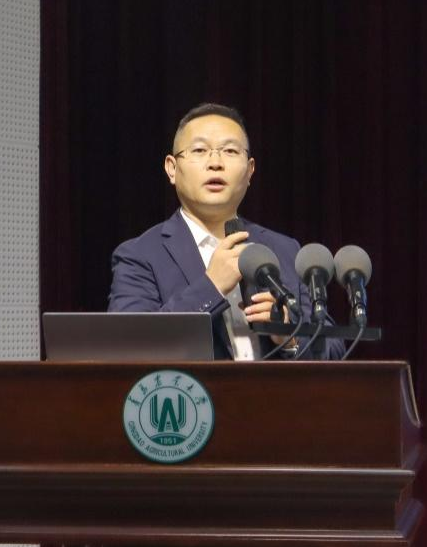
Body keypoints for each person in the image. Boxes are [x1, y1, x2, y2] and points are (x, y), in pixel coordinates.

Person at [108, 103, 345, 360]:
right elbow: (128, 346)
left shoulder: (284, 249)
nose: (215, 163)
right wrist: (212, 287)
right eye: (199, 150)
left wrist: (289, 334)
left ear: (250, 170)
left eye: (230, 151)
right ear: (172, 169)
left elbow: (334, 349)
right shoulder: (140, 255)